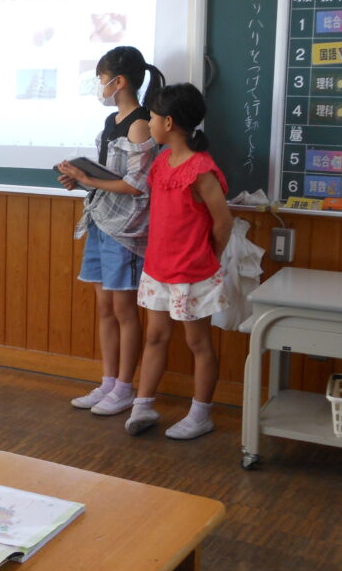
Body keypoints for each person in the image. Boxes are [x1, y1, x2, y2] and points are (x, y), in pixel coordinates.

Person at [57, 47, 163, 416]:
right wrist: (80, 180)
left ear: (118, 82)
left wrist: (88, 179)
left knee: (123, 309)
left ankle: (124, 387)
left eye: (101, 79)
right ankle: (108, 382)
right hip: (101, 220)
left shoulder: (140, 123)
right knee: (105, 308)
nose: (99, 86)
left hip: (127, 230)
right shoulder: (110, 121)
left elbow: (137, 185)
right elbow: (108, 176)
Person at [126, 83, 233, 440]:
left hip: (192, 272)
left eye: (153, 118)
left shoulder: (201, 168)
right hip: (158, 268)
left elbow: (223, 222)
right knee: (155, 337)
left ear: (169, 122)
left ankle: (201, 414)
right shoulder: (161, 161)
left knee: (197, 343)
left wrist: (209, 258)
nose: (149, 123)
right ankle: (143, 405)